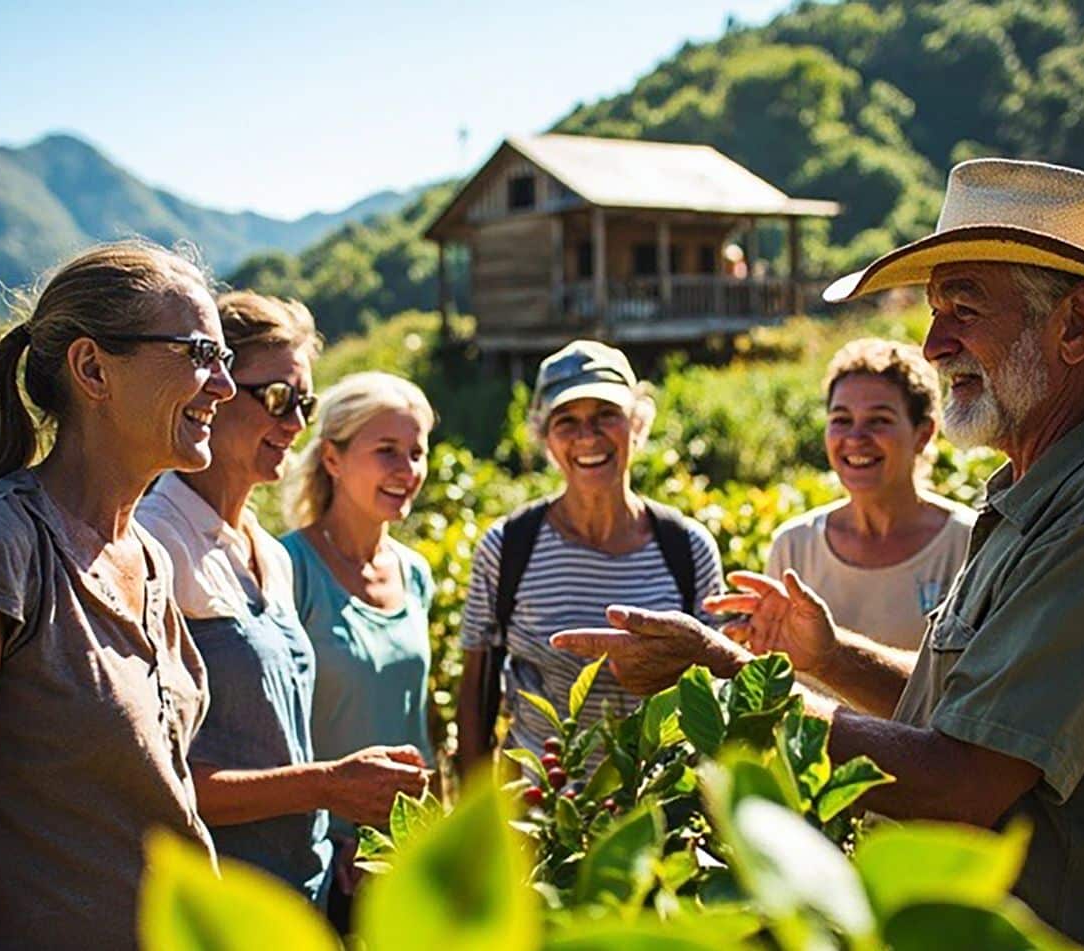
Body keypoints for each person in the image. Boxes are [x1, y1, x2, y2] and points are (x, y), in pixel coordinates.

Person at [553, 159, 1084, 951]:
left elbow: (960, 785)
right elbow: (980, 721)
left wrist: (721, 676)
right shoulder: (1056, 490)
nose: (932, 341)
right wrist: (831, 655)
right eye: (933, 307)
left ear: (1077, 325)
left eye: (964, 306)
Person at [0, 241, 236, 949]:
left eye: (225, 360)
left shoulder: (150, 559)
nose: (223, 386)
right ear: (93, 368)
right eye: (197, 354)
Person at [135, 291, 428, 907]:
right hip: (224, 903)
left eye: (304, 402)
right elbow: (150, 781)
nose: (294, 423)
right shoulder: (156, 540)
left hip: (306, 890)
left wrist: (340, 824)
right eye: (275, 398)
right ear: (209, 389)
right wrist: (327, 785)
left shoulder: (267, 554)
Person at [455, 340, 724, 775]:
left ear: (636, 424)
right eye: (567, 421)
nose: (587, 437)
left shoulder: (688, 548)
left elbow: (715, 684)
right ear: (545, 436)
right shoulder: (507, 548)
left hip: (658, 808)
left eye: (606, 416)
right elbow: (475, 690)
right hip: (538, 815)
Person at [278, 370, 438, 926]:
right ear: (332, 459)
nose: (407, 471)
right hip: (321, 858)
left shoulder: (416, 575)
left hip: (403, 851)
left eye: (416, 452)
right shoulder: (288, 569)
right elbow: (273, 732)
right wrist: (338, 838)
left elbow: (415, 718)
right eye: (387, 451)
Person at [766, 338, 974, 660]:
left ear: (923, 434)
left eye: (879, 420)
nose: (855, 438)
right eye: (841, 420)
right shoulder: (793, 547)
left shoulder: (969, 544)